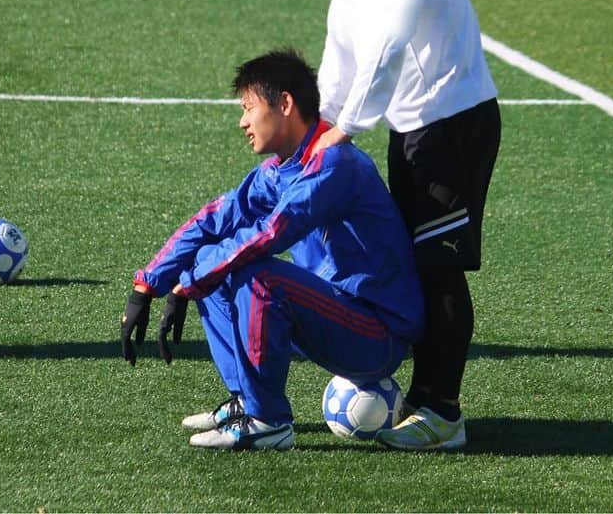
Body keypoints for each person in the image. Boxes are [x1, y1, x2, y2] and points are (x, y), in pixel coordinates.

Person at [120, 49, 424, 451]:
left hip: (376, 334)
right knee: (213, 259)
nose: (241, 121)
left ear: (284, 104)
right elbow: (215, 220)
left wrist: (188, 284)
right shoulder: (280, 169)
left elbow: (272, 233)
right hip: (333, 315)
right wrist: (148, 284)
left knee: (251, 272)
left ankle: (269, 421)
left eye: (248, 108)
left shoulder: (334, 164)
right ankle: (246, 403)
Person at [307, 0, 501, 451]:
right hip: (413, 126)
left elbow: (390, 39)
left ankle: (443, 411)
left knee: (439, 269)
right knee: (417, 263)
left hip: (453, 122)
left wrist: (348, 126)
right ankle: (421, 398)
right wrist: (319, 121)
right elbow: (343, 47)